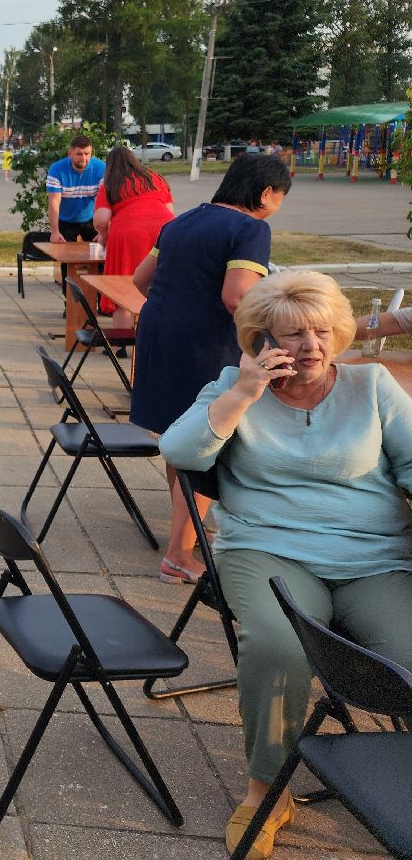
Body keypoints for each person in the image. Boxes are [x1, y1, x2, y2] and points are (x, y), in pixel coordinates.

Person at [160, 271, 412, 860]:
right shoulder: (233, 386)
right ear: (259, 341)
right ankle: (266, 791)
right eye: (293, 335)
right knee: (279, 645)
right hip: (267, 548)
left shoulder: (372, 385)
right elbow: (179, 451)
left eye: (321, 331)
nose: (311, 347)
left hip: (372, 555)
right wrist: (242, 394)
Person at [130, 154, 291, 585]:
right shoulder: (250, 228)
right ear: (264, 193)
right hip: (205, 345)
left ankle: (186, 532)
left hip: (159, 337)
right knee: (207, 440)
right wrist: (269, 345)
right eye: (280, 196)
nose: (277, 205)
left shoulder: (181, 221)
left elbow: (140, 280)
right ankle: (180, 553)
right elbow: (239, 297)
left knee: (179, 436)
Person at [92, 146, 175, 325]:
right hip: (163, 233)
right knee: (159, 286)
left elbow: (101, 220)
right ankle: (154, 341)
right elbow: (170, 212)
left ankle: (118, 345)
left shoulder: (111, 183)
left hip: (126, 235)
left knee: (123, 289)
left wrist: (104, 236)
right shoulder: (156, 179)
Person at [46, 133, 106, 243]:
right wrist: (54, 232)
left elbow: (105, 201)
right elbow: (54, 202)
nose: (83, 158)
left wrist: (104, 232)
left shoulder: (101, 168)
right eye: (79, 154)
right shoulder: (56, 170)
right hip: (65, 221)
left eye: (87, 154)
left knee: (99, 256)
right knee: (66, 257)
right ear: (69, 154)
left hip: (91, 219)